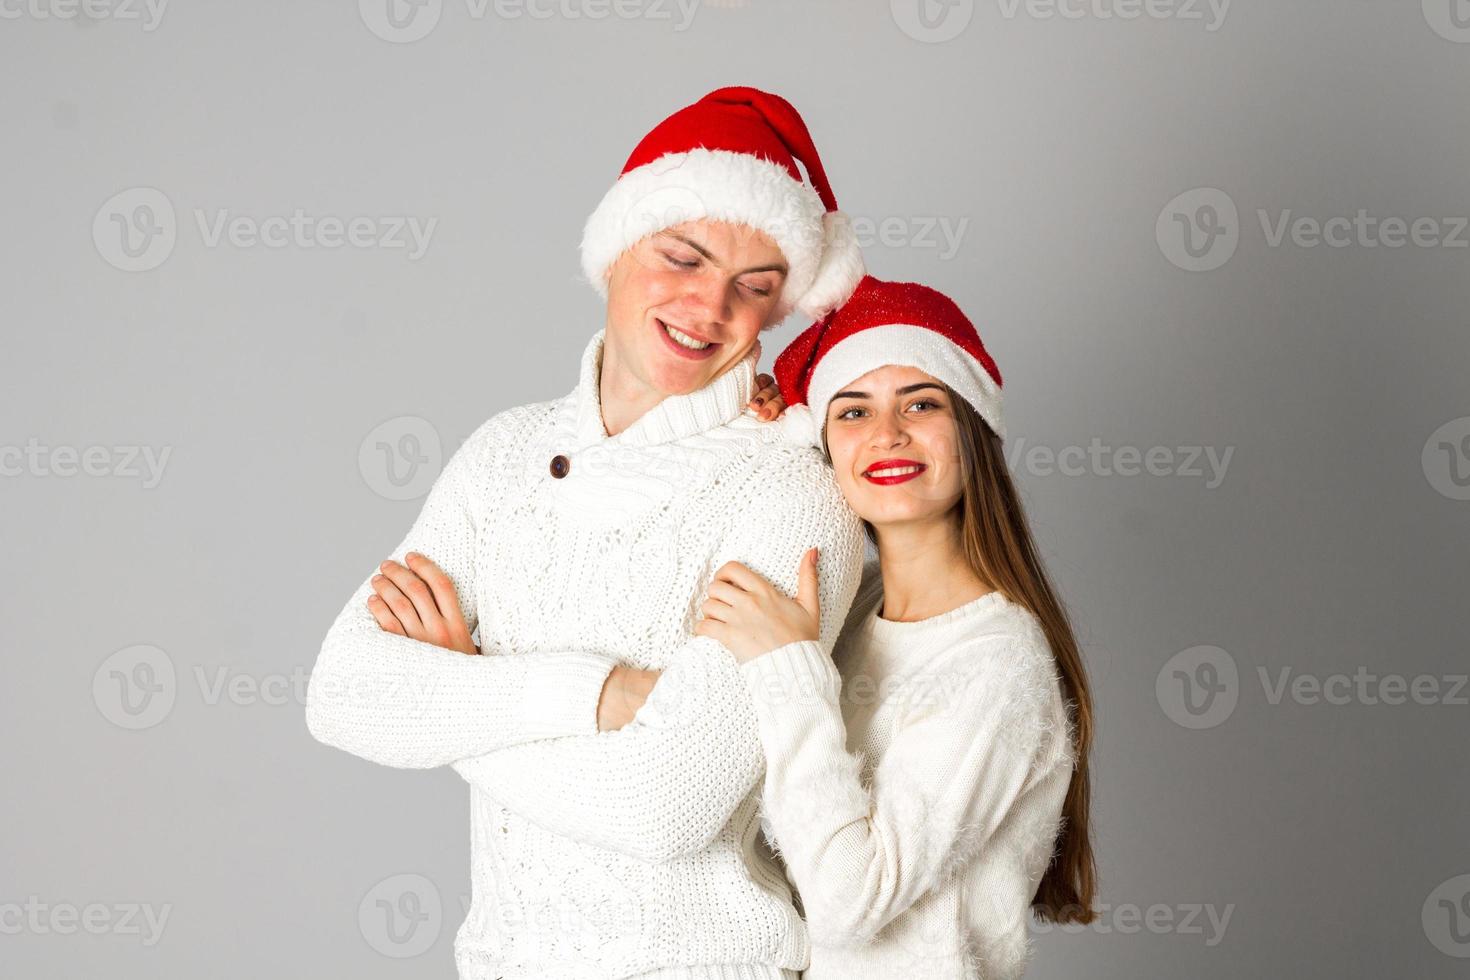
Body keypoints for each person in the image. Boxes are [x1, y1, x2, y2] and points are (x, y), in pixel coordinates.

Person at [304, 86, 868, 980]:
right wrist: (595, 693)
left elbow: (664, 803)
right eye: (681, 257)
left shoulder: (795, 497)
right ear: (613, 254)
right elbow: (342, 694)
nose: (708, 306)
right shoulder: (503, 453)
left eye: (753, 288)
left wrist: (457, 695)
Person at [686, 275, 1099, 978]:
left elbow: (850, 903)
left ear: (973, 431)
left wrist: (788, 669)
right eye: (851, 413)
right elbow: (705, 730)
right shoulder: (846, 610)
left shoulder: (997, 665)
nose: (886, 434)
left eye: (922, 403)